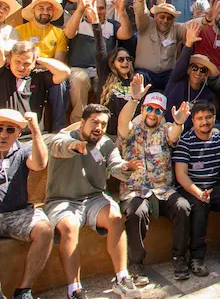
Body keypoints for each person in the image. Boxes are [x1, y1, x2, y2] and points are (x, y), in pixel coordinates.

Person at [45, 104, 142, 299]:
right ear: (82, 122)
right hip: (62, 201)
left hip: (94, 198)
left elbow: (115, 166)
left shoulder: (105, 143)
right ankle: (75, 289)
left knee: (115, 218)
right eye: (94, 122)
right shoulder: (63, 138)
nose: (99, 127)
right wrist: (74, 146)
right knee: (70, 227)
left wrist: (127, 166)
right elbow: (59, 147)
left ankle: (122, 278)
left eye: (103, 124)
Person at [116, 82, 192, 282]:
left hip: (163, 190)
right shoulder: (131, 130)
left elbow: (174, 135)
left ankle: (179, 257)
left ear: (163, 113)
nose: (152, 113)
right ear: (142, 109)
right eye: (149, 108)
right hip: (136, 190)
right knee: (136, 213)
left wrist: (179, 122)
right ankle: (136, 263)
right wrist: (134, 99)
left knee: (183, 207)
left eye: (158, 111)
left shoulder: (166, 128)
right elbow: (122, 122)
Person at [173, 101, 220, 276]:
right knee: (200, 206)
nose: (204, 122)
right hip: (190, 188)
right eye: (200, 118)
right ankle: (196, 257)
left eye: (208, 117)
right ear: (193, 121)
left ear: (214, 118)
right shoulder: (185, 141)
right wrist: (198, 193)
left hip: (213, 185)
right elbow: (181, 175)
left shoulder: (219, 137)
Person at [0, 110, 53, 299]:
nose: (3, 134)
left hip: (17, 213)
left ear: (18, 133)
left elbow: (40, 164)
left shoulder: (22, 151)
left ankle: (23, 291)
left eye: (9, 130)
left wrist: (36, 129)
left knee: (45, 230)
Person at [64, 0, 132, 124]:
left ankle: (104, 122)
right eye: (93, 7)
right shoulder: (78, 23)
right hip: (79, 69)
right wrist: (80, 9)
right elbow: (69, 33)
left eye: (101, 8)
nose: (98, 11)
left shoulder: (112, 25)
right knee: (79, 79)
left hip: (103, 70)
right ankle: (78, 123)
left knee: (107, 81)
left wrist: (122, 11)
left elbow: (127, 34)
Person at [16, 0, 69, 130]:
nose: (45, 12)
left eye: (49, 9)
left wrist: (39, 61)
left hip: (48, 72)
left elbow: (59, 61)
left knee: (60, 84)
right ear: (33, 10)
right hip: (26, 70)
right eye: (41, 8)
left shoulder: (58, 33)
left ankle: (59, 129)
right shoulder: (20, 30)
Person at [133, 0, 187, 91]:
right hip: (145, 73)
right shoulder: (146, 23)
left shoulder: (176, 28)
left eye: (169, 18)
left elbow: (190, 26)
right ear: (155, 16)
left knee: (178, 80)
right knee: (138, 79)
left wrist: (206, 19)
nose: (165, 20)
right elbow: (140, 11)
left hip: (166, 74)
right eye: (162, 16)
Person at [0, 40, 70, 131]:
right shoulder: (3, 73)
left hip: (32, 136)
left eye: (26, 63)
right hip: (5, 134)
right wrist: (7, 54)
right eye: (17, 62)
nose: (21, 67)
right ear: (10, 60)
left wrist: (39, 59)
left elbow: (65, 72)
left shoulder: (38, 76)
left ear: (34, 64)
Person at [164, 22, 217, 116]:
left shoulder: (208, 95)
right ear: (189, 69)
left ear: (206, 74)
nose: (198, 72)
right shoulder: (177, 79)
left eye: (203, 70)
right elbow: (182, 62)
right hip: (168, 126)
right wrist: (189, 43)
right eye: (195, 68)